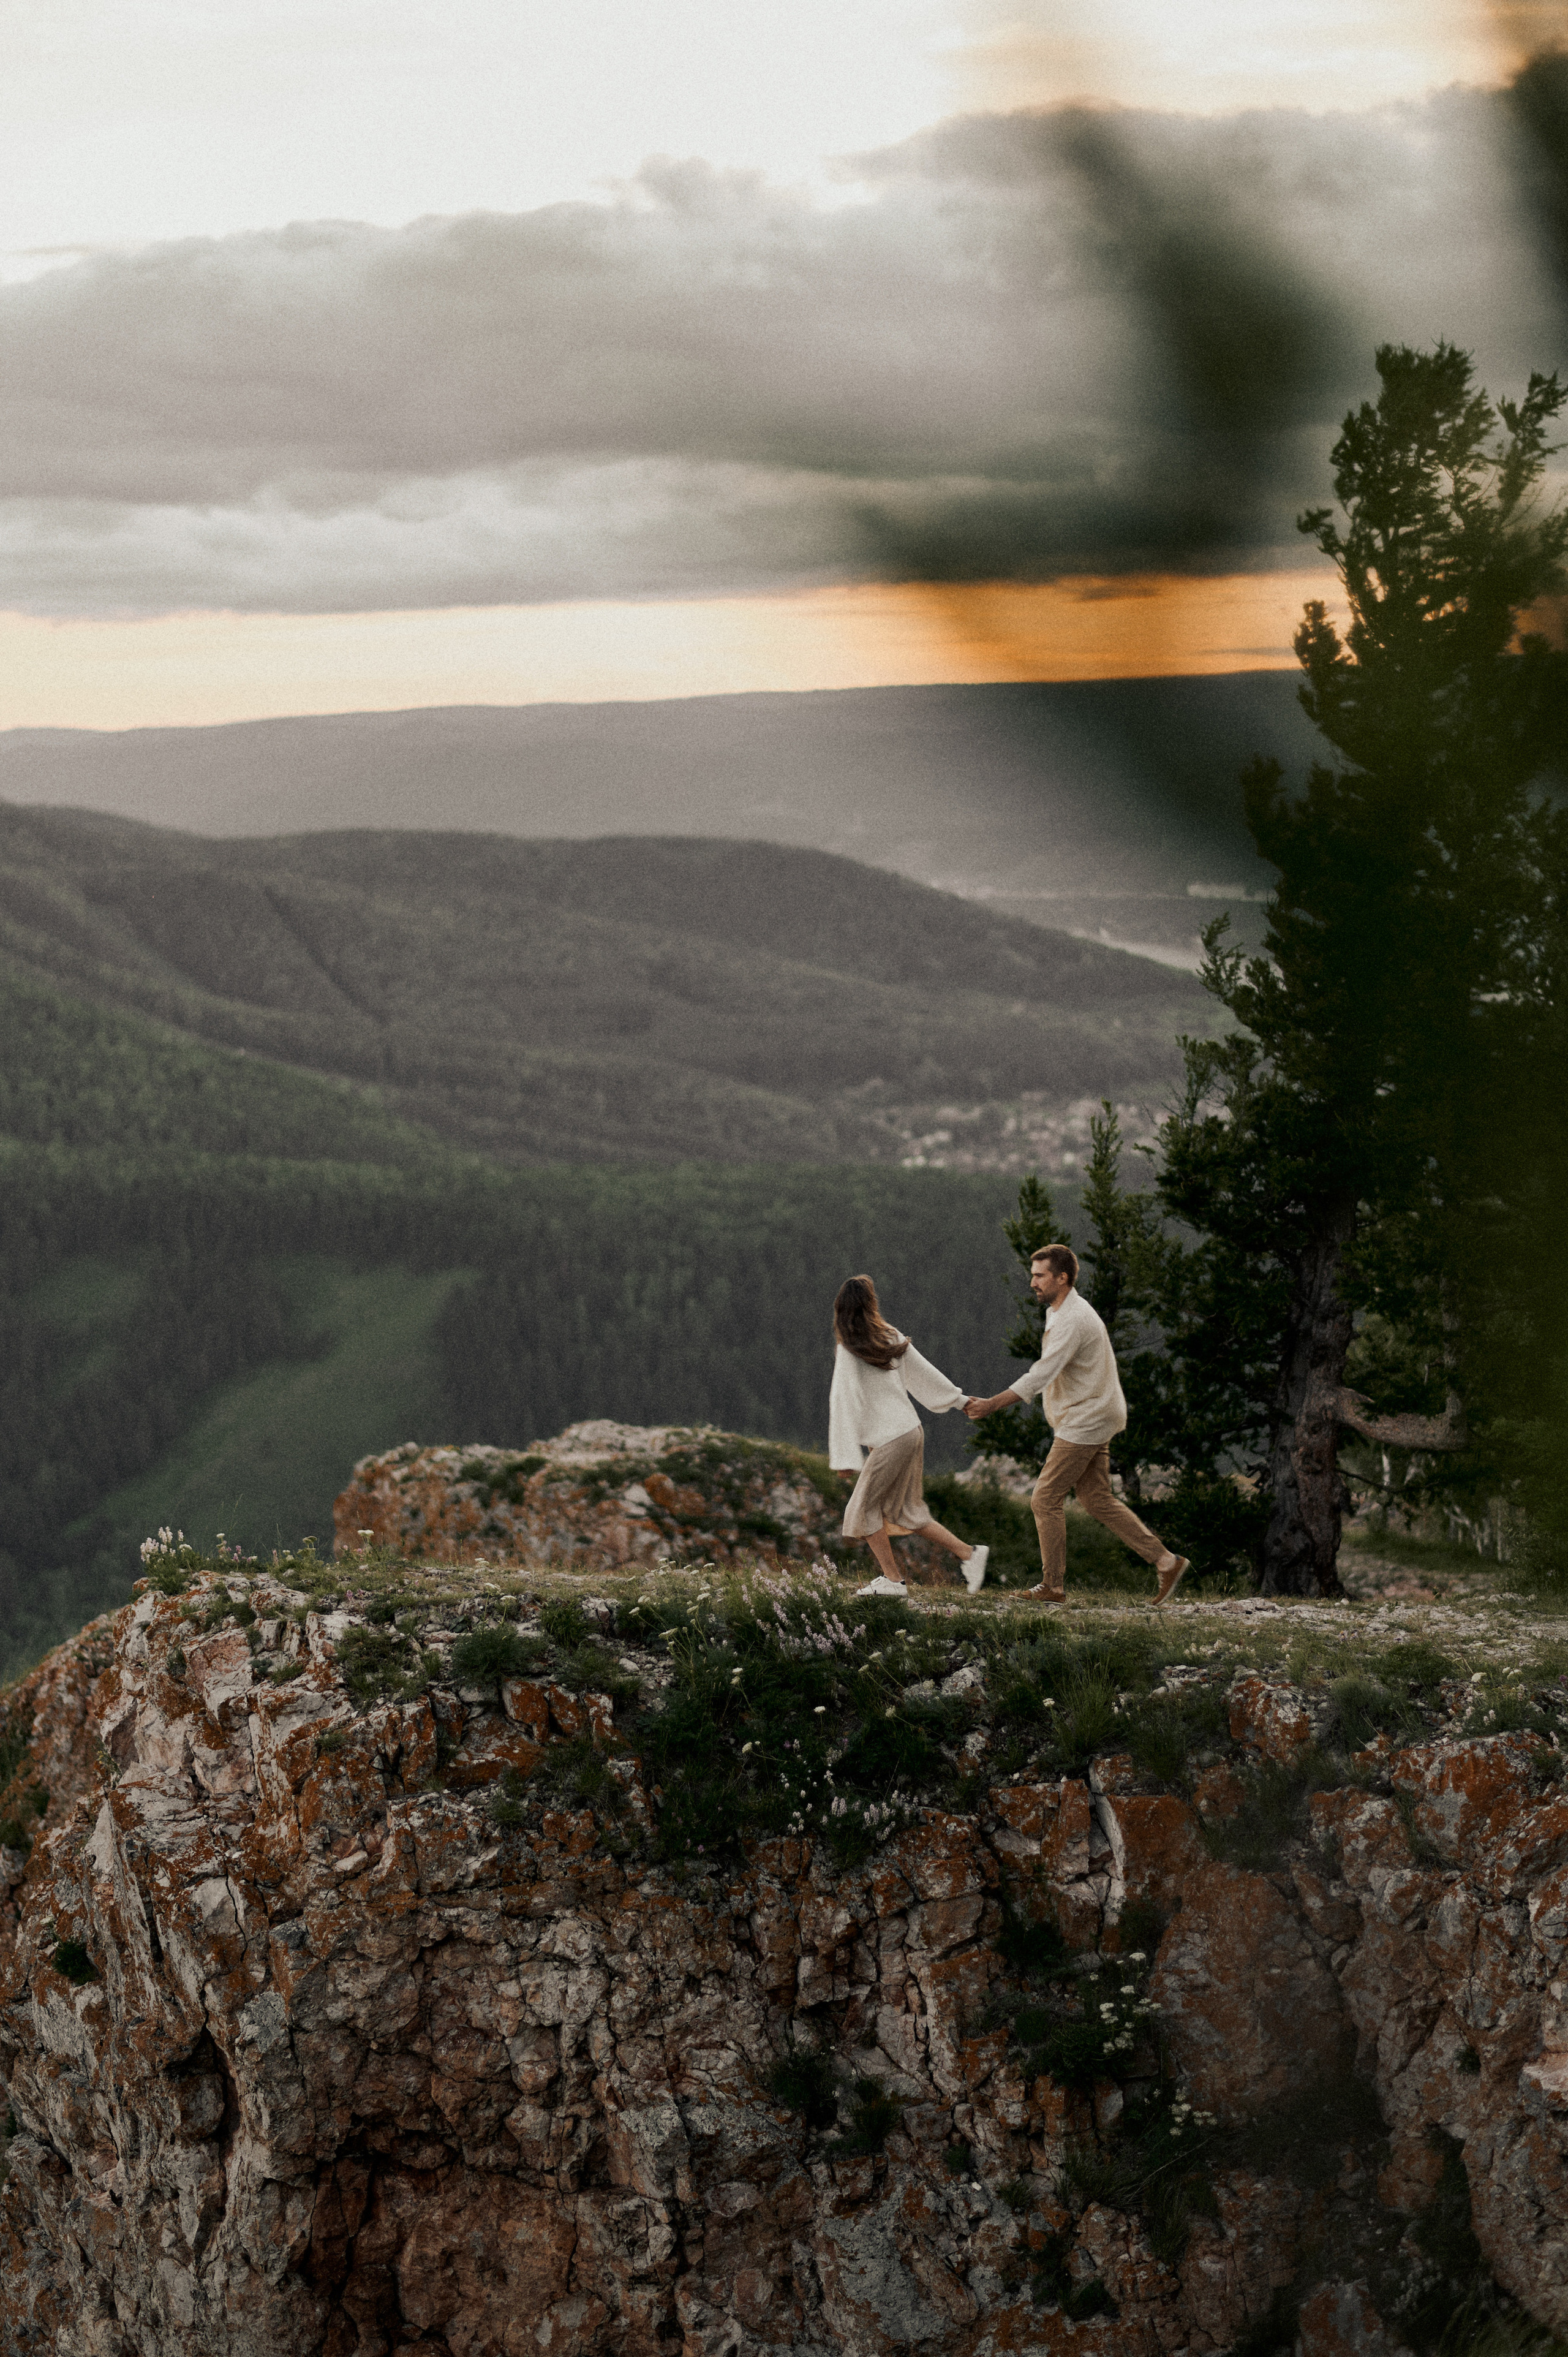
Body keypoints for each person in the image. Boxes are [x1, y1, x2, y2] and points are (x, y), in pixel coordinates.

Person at [967, 1243, 1190, 1605]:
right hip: (1093, 1412)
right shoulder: (1060, 1309)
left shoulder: (1072, 1319)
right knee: (1097, 1498)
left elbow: (1041, 1374)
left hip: (1088, 1418)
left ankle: (1053, 1586)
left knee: (1044, 1498)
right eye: (1033, 1274)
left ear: (1063, 1278)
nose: (1032, 1283)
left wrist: (992, 1404)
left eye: (1040, 1276)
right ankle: (1166, 1562)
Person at [829, 1274, 989, 1599]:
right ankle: (971, 1555)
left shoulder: (849, 1349)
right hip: (910, 1432)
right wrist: (958, 1400)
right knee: (904, 1512)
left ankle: (892, 1581)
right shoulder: (890, 1337)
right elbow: (923, 1374)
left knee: (860, 1510)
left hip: (892, 1439)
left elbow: (842, 1401)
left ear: (841, 1310)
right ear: (871, 1305)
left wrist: (845, 1456)